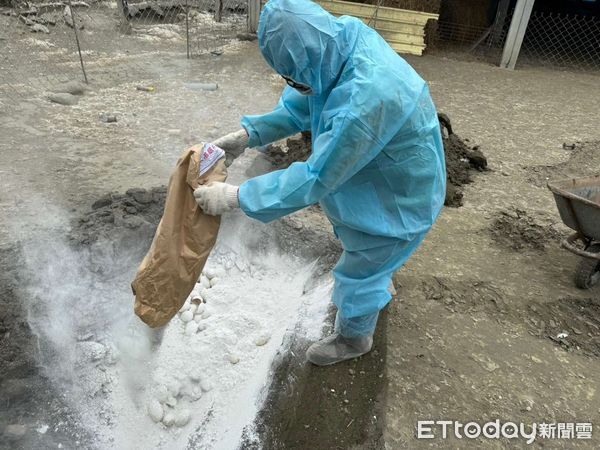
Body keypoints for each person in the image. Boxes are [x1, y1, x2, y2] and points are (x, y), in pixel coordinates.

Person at [194, 0, 446, 366]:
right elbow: (305, 101)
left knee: (363, 267)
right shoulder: (338, 42)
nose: (292, 84)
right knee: (368, 250)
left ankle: (354, 337)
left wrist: (235, 197)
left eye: (293, 77)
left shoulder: (365, 100)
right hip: (380, 172)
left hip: (399, 196)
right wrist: (249, 134)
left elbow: (316, 177)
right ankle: (381, 275)